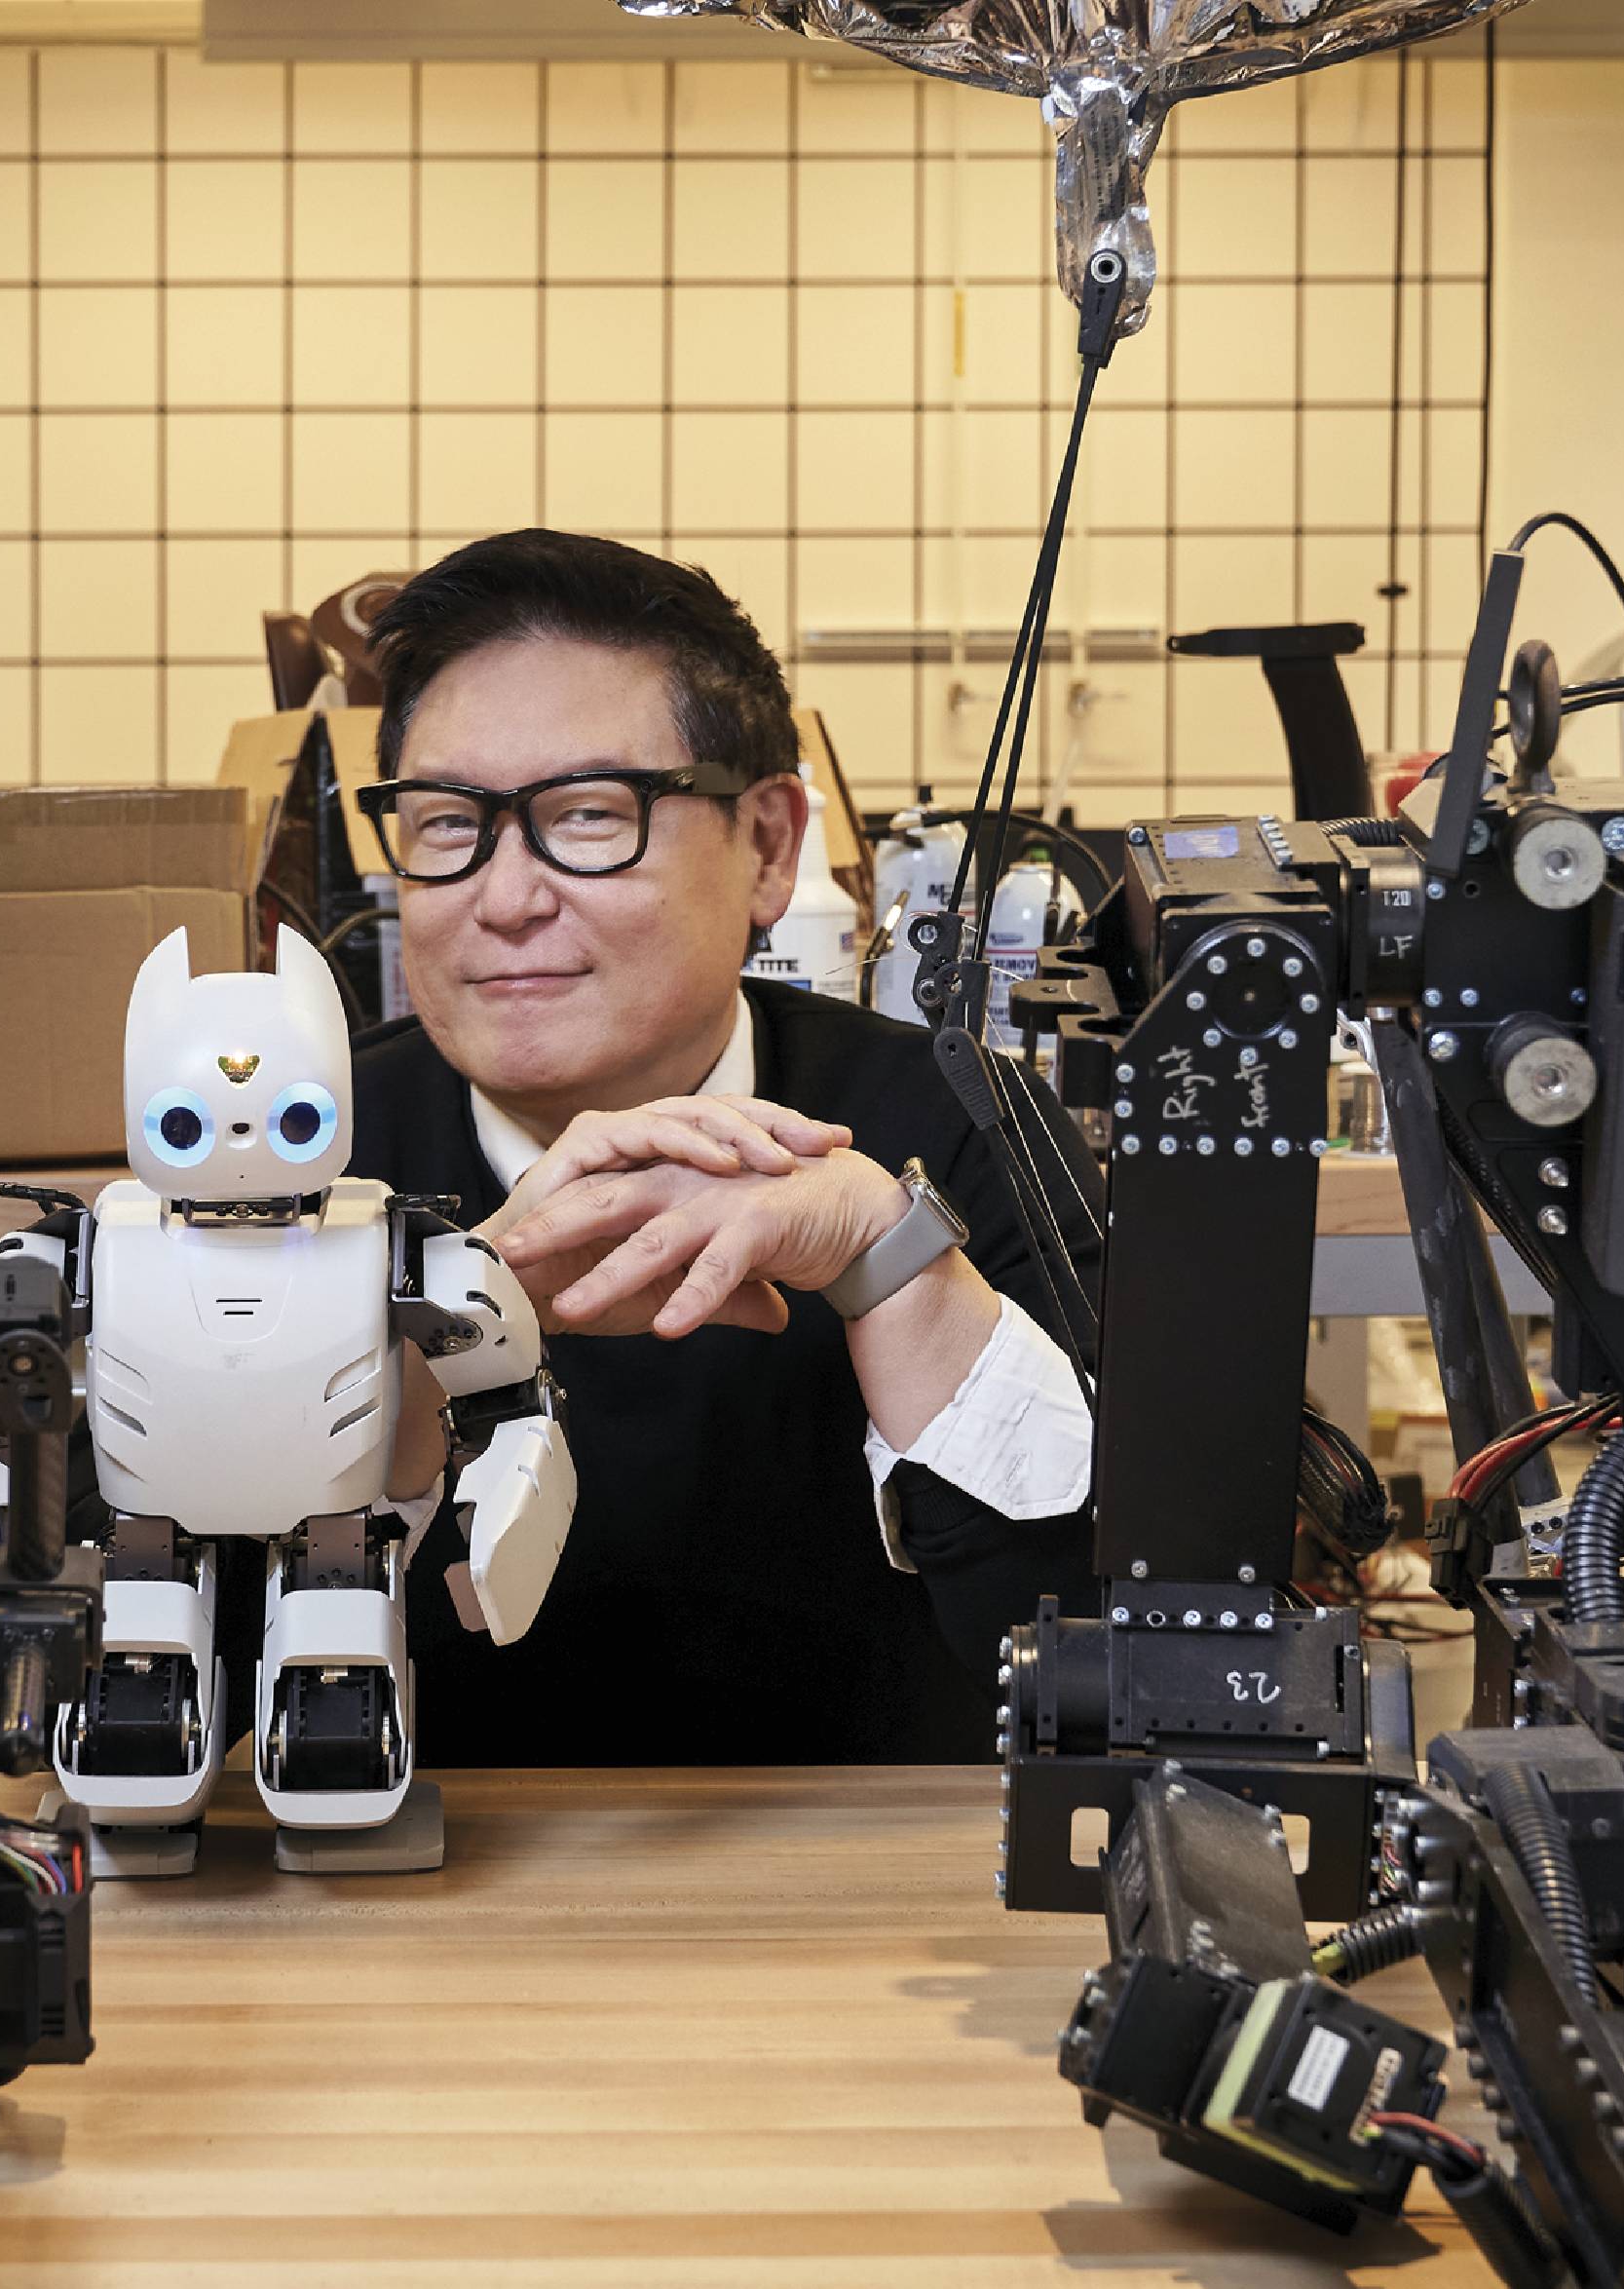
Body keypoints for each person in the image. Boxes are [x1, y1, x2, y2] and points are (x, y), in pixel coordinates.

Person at [348, 528, 1100, 1767]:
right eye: (444, 825)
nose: (504, 895)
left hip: (880, 1912)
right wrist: (412, 1348)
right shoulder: (296, 1164)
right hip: (399, 1901)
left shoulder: (959, 1124)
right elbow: (151, 1642)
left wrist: (890, 1262)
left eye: (587, 817)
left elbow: (1113, 1637)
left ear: (766, 845)